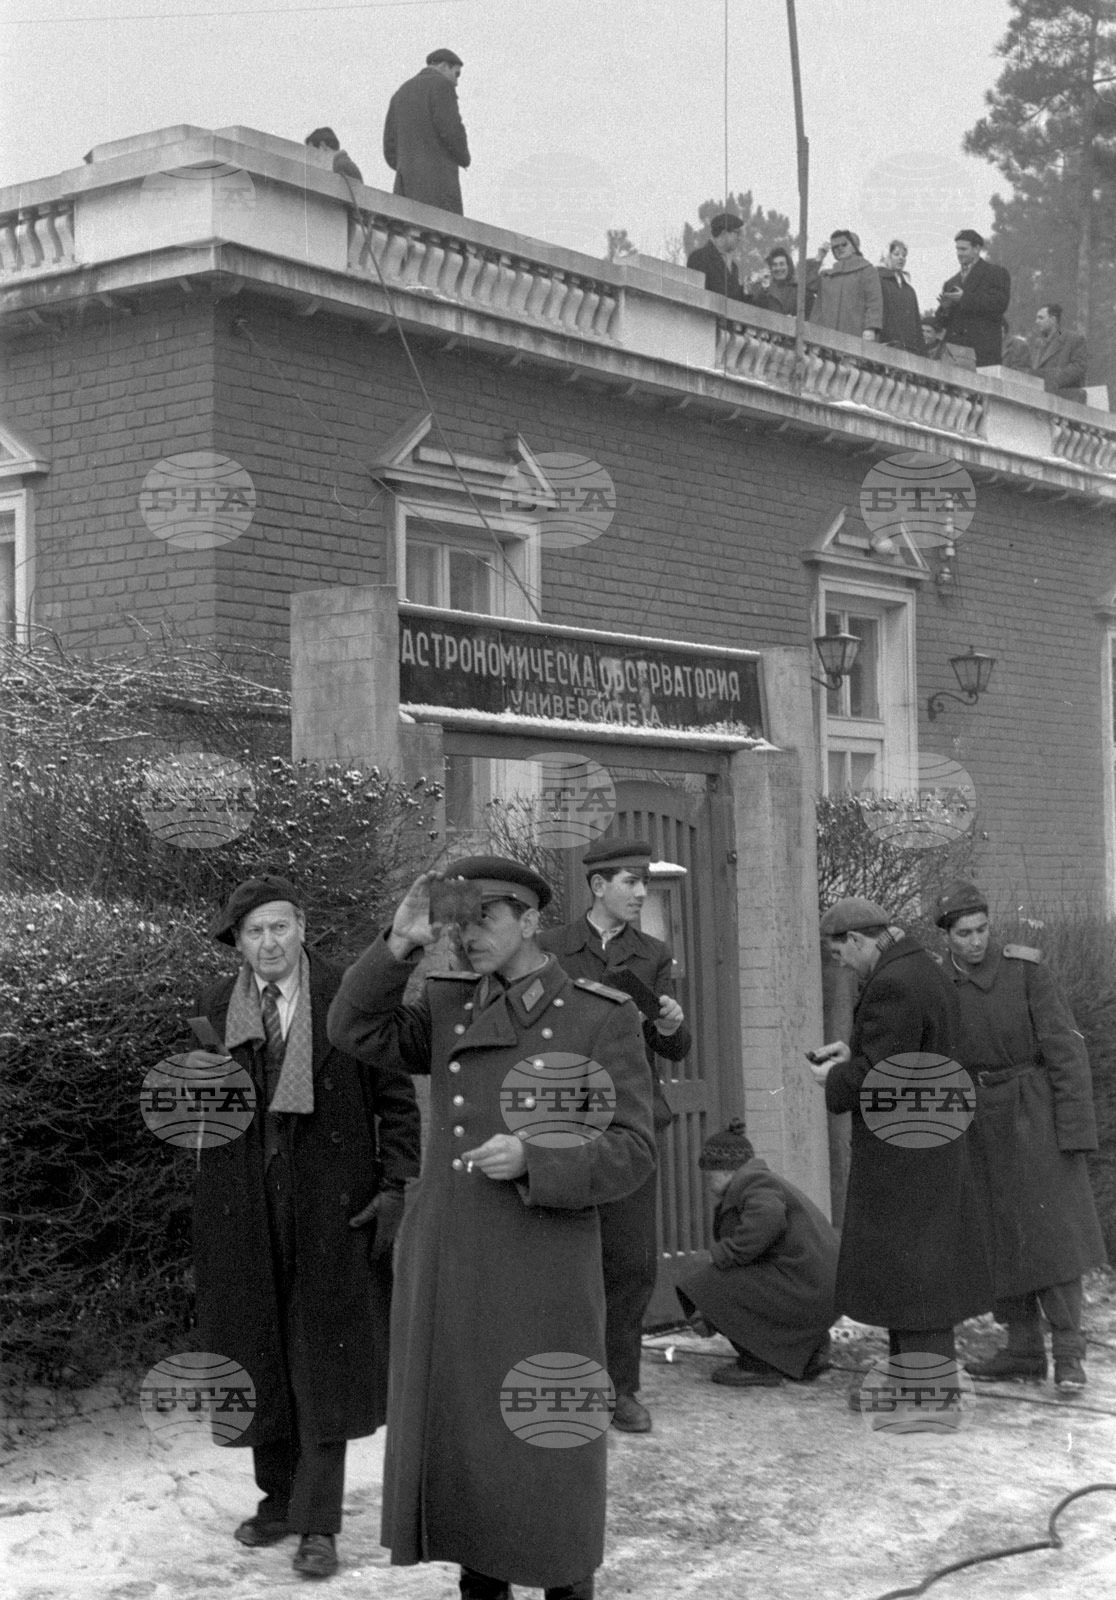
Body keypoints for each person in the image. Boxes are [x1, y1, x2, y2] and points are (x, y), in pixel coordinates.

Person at [327, 857, 656, 1600]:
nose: (469, 938)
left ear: (531, 920)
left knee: (547, 1455)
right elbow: (351, 1027)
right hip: (452, 1263)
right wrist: (400, 943)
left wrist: (538, 1157)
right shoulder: (448, 1005)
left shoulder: (599, 1016)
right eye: (457, 921)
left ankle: (565, 1583)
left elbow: (633, 1152)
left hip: (543, 1270)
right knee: (471, 1459)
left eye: (486, 919)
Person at [186, 876, 421, 1579]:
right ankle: (279, 1500)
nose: (268, 944)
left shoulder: (350, 997)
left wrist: (394, 1188)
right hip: (245, 1212)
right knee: (262, 1354)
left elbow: (397, 1101)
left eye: (279, 928)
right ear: (238, 945)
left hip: (333, 1210)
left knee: (324, 1362)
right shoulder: (212, 1008)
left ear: (302, 928)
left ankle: (319, 1523)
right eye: (254, 933)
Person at [807, 897, 992, 1410]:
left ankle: (928, 1387)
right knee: (916, 1267)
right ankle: (918, 1380)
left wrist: (836, 1077)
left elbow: (884, 1076)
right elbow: (902, 1055)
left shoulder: (893, 983)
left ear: (861, 940)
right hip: (925, 1143)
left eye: (840, 953)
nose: (841, 963)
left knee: (914, 1269)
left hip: (906, 1152)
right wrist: (854, 1054)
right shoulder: (917, 969)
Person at [538, 837, 691, 1433]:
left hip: (628, 1126)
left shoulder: (652, 953)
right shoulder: (551, 947)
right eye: (630, 881)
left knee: (628, 1264)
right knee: (563, 1262)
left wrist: (671, 1025)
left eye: (644, 882)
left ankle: (620, 1388)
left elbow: (671, 1047)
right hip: (562, 1124)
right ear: (598, 885)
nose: (640, 892)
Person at [935, 882, 1107, 1391]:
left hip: (1034, 1114)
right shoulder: (940, 984)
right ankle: (1024, 1348)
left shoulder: (1025, 971)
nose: (976, 941)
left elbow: (1065, 1051)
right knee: (999, 1235)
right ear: (946, 936)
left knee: (1053, 1238)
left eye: (982, 929)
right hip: (976, 1121)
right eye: (964, 933)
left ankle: (1070, 1355)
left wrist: (1075, 1130)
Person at [676, 1118, 838, 1388]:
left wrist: (723, 1256)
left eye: (709, 1174)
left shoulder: (755, 1184)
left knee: (709, 1280)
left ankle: (758, 1364)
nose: (707, 1181)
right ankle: (809, 1354)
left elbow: (769, 1219)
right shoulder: (762, 1182)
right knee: (724, 1277)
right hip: (820, 1289)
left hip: (810, 1288)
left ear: (726, 1171)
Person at [383, 48, 471, 215]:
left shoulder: (400, 94)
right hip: (439, 188)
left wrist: (409, 166)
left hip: (406, 188)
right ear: (444, 66)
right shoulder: (442, 85)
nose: (456, 82)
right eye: (456, 74)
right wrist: (464, 157)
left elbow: (389, 148)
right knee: (443, 238)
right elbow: (451, 130)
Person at [932, 229, 1011, 368]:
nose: (959, 253)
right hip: (954, 355)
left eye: (964, 249)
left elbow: (999, 304)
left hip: (982, 354)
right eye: (957, 249)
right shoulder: (951, 283)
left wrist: (964, 298)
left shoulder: (996, 273)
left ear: (977, 249)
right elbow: (941, 323)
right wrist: (944, 309)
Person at [809, 229, 883, 343]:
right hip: (824, 339)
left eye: (844, 244)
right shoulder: (827, 275)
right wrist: (819, 257)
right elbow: (807, 286)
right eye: (835, 246)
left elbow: (874, 303)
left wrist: (871, 328)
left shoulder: (868, 271)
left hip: (855, 337)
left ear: (854, 247)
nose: (839, 248)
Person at [1029, 304, 1089, 402]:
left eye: (1041, 318)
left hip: (1065, 401)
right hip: (1039, 399)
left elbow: (1079, 367)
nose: (1036, 321)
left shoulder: (1073, 339)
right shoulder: (1037, 344)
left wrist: (1053, 379)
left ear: (1052, 320)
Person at [686, 212, 748, 300]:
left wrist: (747, 290)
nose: (740, 238)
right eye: (737, 233)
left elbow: (734, 300)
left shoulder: (733, 267)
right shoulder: (699, 257)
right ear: (724, 233)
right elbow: (696, 295)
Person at [877, 239, 925, 355]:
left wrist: (922, 352)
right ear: (886, 256)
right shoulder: (877, 280)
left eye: (904, 255)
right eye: (896, 254)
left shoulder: (909, 290)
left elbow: (916, 324)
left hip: (909, 349)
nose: (901, 258)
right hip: (885, 345)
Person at [761, 243, 818, 317]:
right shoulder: (765, 290)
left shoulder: (799, 291)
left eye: (782, 264)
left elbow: (812, 314)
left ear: (788, 266)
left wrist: (797, 320)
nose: (778, 268)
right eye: (775, 265)